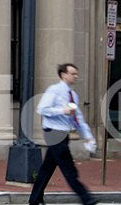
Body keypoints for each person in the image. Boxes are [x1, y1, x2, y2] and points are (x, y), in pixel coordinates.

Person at [29, 62, 98, 205]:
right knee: (68, 167)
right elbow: (41, 109)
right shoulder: (53, 90)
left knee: (47, 168)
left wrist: (88, 137)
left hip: (63, 133)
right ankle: (86, 198)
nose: (76, 76)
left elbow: (77, 118)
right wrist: (62, 111)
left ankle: (35, 199)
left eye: (76, 74)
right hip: (53, 132)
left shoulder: (73, 95)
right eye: (73, 73)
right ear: (63, 75)